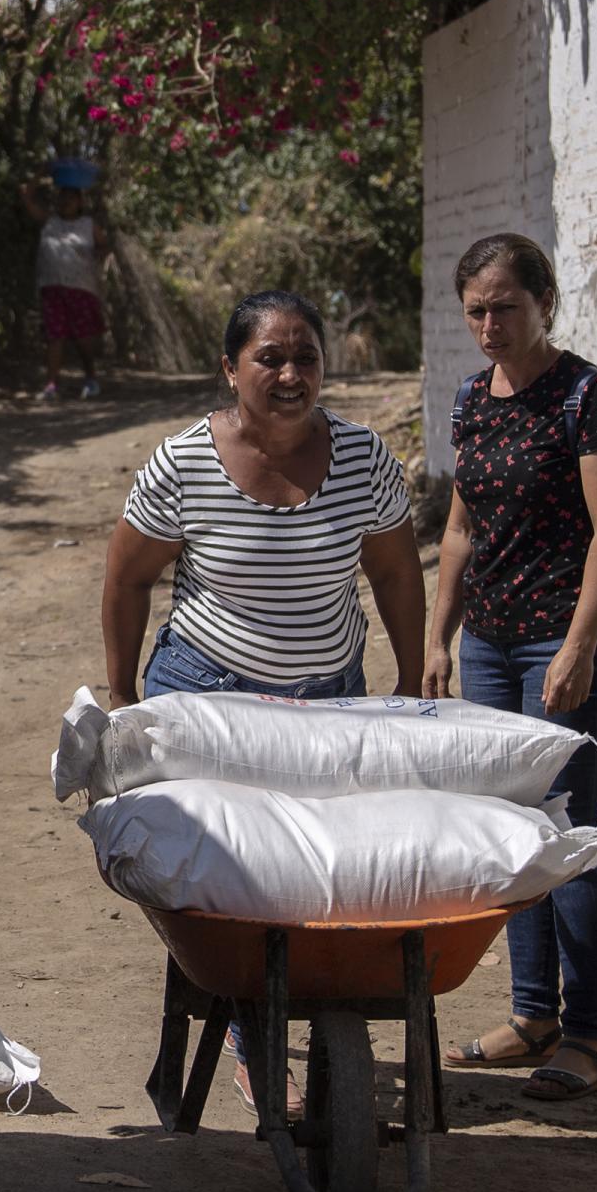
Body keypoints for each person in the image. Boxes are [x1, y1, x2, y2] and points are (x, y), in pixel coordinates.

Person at [97, 290, 426, 1102]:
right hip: (209, 697)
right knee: (241, 881)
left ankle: (301, 1015)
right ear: (230, 368)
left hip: (326, 699)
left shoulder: (362, 458)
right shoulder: (184, 463)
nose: (289, 373)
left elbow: (392, 571)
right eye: (269, 358)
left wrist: (414, 679)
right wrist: (123, 694)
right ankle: (256, 1034)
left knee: (327, 875)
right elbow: (128, 578)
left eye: (305, 356)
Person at [427, 232, 597, 1105]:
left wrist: (581, 645)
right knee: (510, 834)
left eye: (505, 307)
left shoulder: (592, 398)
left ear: (544, 302)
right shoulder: (473, 398)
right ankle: (532, 1014)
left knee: (568, 834)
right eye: (476, 310)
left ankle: (588, 1033)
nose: (489, 325)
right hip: (487, 641)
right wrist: (440, 638)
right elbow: (460, 528)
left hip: (562, 641)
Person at [22, 178, 112, 400]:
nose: (66, 202)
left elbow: (104, 246)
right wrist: (40, 175)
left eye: (71, 198)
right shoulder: (49, 221)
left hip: (81, 287)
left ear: (80, 202)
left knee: (84, 337)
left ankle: (91, 379)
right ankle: (51, 385)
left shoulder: (89, 225)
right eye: (62, 198)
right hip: (52, 287)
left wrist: (100, 253)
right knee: (55, 336)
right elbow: (26, 197)